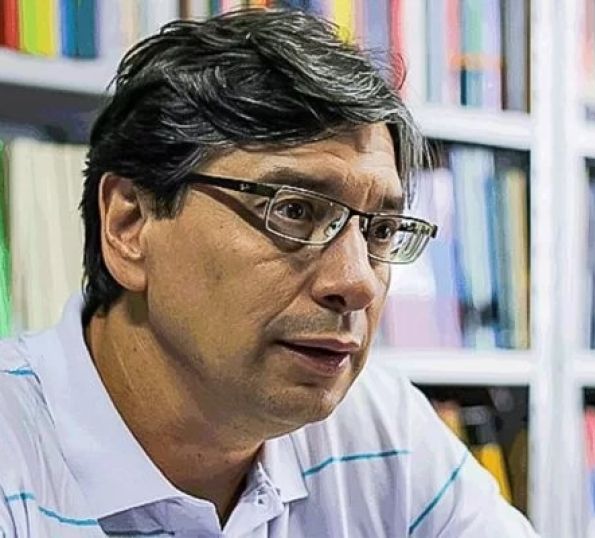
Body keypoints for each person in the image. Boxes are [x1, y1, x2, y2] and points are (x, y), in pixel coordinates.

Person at [0, 8, 539, 538]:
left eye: (380, 230)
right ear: (130, 223)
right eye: (294, 210)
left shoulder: (382, 429)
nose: (358, 283)